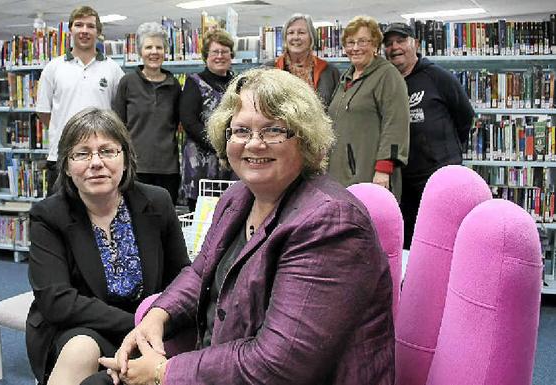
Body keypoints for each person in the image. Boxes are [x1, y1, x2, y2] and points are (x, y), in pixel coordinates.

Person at [87, 68, 395, 385]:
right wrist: (158, 314)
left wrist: (163, 373)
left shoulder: (330, 223)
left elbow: (278, 365)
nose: (255, 144)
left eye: (274, 130)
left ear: (304, 138)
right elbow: (200, 271)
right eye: (242, 131)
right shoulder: (239, 197)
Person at [25, 107, 191, 385]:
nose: (96, 163)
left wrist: (155, 323)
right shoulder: (49, 215)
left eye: (107, 151)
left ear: (125, 158)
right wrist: (137, 324)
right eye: (82, 153)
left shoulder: (157, 202)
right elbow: (57, 301)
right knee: (81, 349)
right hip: (79, 326)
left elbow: (182, 277)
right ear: (66, 165)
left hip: (149, 326)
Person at [383, 22, 475, 248]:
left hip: (438, 180)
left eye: (401, 41)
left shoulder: (437, 77)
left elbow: (465, 116)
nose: (395, 47)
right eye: (389, 43)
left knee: (442, 243)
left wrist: (444, 151)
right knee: (408, 245)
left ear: (415, 43)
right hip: (403, 183)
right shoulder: (386, 83)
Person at [36, 5, 124, 191]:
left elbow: (120, 112)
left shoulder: (113, 69)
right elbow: (44, 112)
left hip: (100, 159)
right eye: (79, 25)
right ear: (71, 30)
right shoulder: (53, 68)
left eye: (90, 26)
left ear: (98, 32)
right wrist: (68, 133)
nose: (84, 31)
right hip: (61, 156)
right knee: (59, 215)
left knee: (99, 212)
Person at [327, 15, 409, 200]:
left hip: (371, 177)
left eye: (362, 41)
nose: (355, 48)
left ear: (375, 45)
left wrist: (384, 169)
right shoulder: (345, 78)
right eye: (350, 42)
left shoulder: (387, 75)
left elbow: (396, 123)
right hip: (339, 178)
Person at [113, 22, 181, 204]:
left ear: (165, 51)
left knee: (164, 220)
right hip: (136, 167)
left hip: (168, 168)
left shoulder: (174, 86)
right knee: (136, 219)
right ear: (140, 52)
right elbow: (117, 125)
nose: (154, 52)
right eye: (148, 47)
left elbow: (176, 123)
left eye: (159, 47)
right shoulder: (127, 83)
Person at [180, 28, 235, 212]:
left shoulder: (237, 82)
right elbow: (189, 122)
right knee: (200, 220)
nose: (220, 56)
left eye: (224, 51)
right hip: (202, 163)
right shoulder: (194, 82)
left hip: (231, 160)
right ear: (206, 56)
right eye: (215, 52)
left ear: (231, 55)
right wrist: (219, 145)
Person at [263, 13, 339, 108]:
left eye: (301, 32)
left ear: (311, 38)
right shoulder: (269, 69)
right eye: (290, 33)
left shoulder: (329, 71)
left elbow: (337, 108)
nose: (296, 37)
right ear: (285, 39)